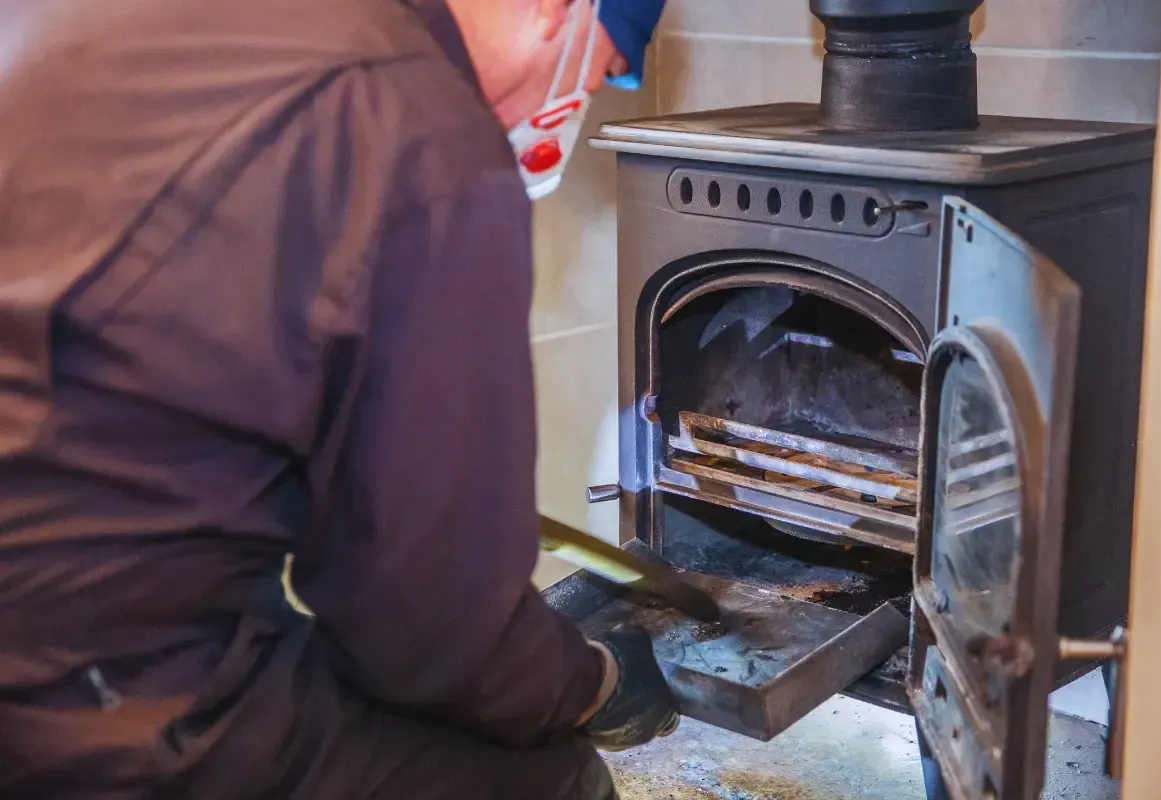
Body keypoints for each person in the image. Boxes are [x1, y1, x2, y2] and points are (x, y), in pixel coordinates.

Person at [0, 0, 672, 797]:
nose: (576, 99)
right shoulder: (420, 129)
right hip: (77, 699)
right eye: (603, 69)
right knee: (555, 779)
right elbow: (428, 629)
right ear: (554, 12)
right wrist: (590, 683)